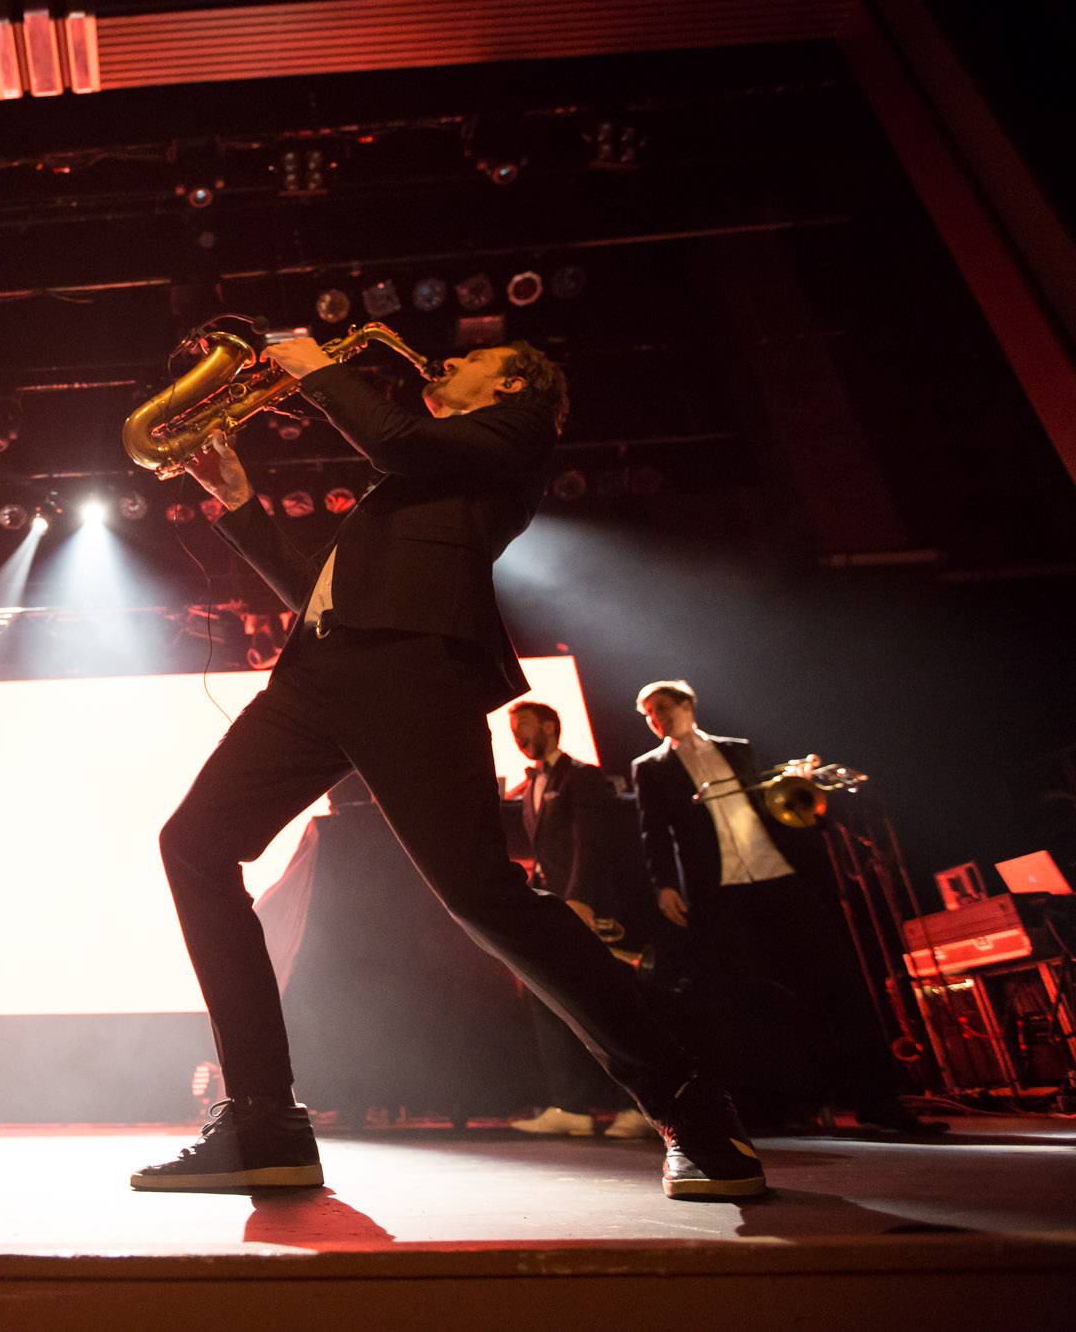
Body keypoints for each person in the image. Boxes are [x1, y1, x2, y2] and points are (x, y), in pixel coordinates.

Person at [136, 338, 765, 1200]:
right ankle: (262, 1120)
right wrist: (243, 504)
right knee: (194, 848)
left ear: (510, 385)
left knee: (483, 895)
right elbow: (321, 595)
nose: (445, 363)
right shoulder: (417, 477)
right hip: (323, 670)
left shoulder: (515, 434)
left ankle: (691, 1104)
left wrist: (317, 367)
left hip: (414, 668)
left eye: (470, 358)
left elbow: (397, 439)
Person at [630, 680, 941, 1134]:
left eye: (661, 708)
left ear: (687, 705)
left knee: (836, 984)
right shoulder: (649, 768)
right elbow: (652, 832)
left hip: (779, 877)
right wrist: (664, 885)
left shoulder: (739, 749)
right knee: (745, 1000)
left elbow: (777, 808)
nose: (655, 719)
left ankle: (879, 1101)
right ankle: (774, 1108)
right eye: (648, 715)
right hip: (720, 891)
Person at [505, 701, 652, 1140]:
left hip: (586, 909)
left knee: (611, 1001)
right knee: (546, 999)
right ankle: (569, 1104)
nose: (519, 738)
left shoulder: (583, 776)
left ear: (550, 726)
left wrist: (583, 900)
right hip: (552, 910)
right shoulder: (530, 785)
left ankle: (641, 1104)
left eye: (524, 728)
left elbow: (593, 845)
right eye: (513, 732)